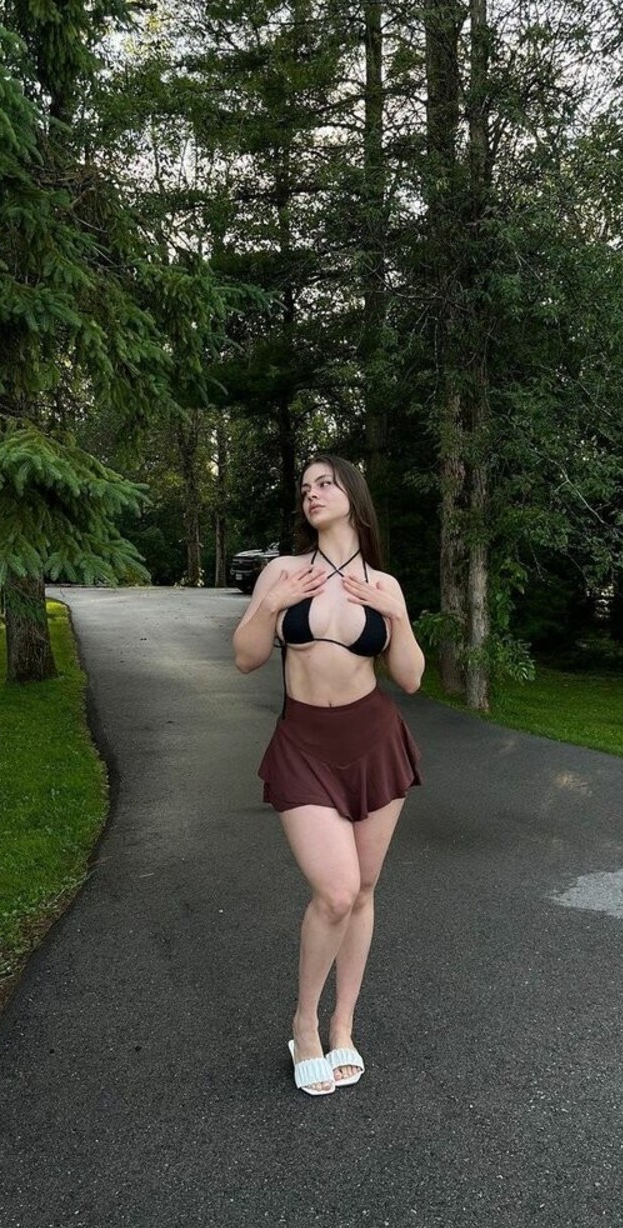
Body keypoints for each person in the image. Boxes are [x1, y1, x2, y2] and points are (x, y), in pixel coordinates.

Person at [232, 456, 425, 1096]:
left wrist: (398, 616)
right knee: (337, 892)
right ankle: (304, 1023)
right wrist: (272, 606)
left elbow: (410, 678)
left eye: (325, 483)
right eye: (305, 487)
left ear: (353, 495)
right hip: (304, 744)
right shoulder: (284, 572)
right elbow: (245, 658)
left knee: (364, 890)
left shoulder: (384, 584)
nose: (311, 494)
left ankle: (343, 1026)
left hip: (374, 741)